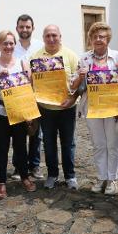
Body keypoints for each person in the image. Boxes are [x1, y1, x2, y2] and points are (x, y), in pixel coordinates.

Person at [0, 30, 38, 198]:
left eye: (11, 43)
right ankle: (2, 181)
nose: (8, 46)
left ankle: (25, 177)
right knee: (2, 148)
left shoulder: (22, 63)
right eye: (5, 43)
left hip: (19, 112)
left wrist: (29, 112)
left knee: (20, 146)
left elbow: (29, 88)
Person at [72, 23, 118, 195]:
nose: (98, 39)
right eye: (95, 37)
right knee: (99, 144)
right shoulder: (84, 59)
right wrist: (80, 76)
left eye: (102, 36)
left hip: (112, 107)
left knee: (112, 143)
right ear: (91, 39)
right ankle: (102, 177)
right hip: (92, 107)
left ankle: (112, 179)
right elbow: (74, 86)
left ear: (108, 38)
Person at [31, 25, 80, 190]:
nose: (51, 39)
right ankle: (52, 175)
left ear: (60, 36)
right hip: (45, 109)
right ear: (43, 38)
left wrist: (73, 98)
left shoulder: (71, 56)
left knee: (68, 143)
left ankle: (70, 176)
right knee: (48, 143)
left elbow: (78, 82)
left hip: (67, 107)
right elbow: (32, 84)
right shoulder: (35, 58)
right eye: (48, 36)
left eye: (54, 35)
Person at [13, 14, 45, 180]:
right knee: (18, 132)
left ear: (33, 28)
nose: (24, 30)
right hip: (17, 96)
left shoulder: (40, 47)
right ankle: (18, 167)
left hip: (36, 95)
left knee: (35, 133)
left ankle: (34, 165)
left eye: (27, 27)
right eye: (21, 27)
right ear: (17, 28)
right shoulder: (12, 47)